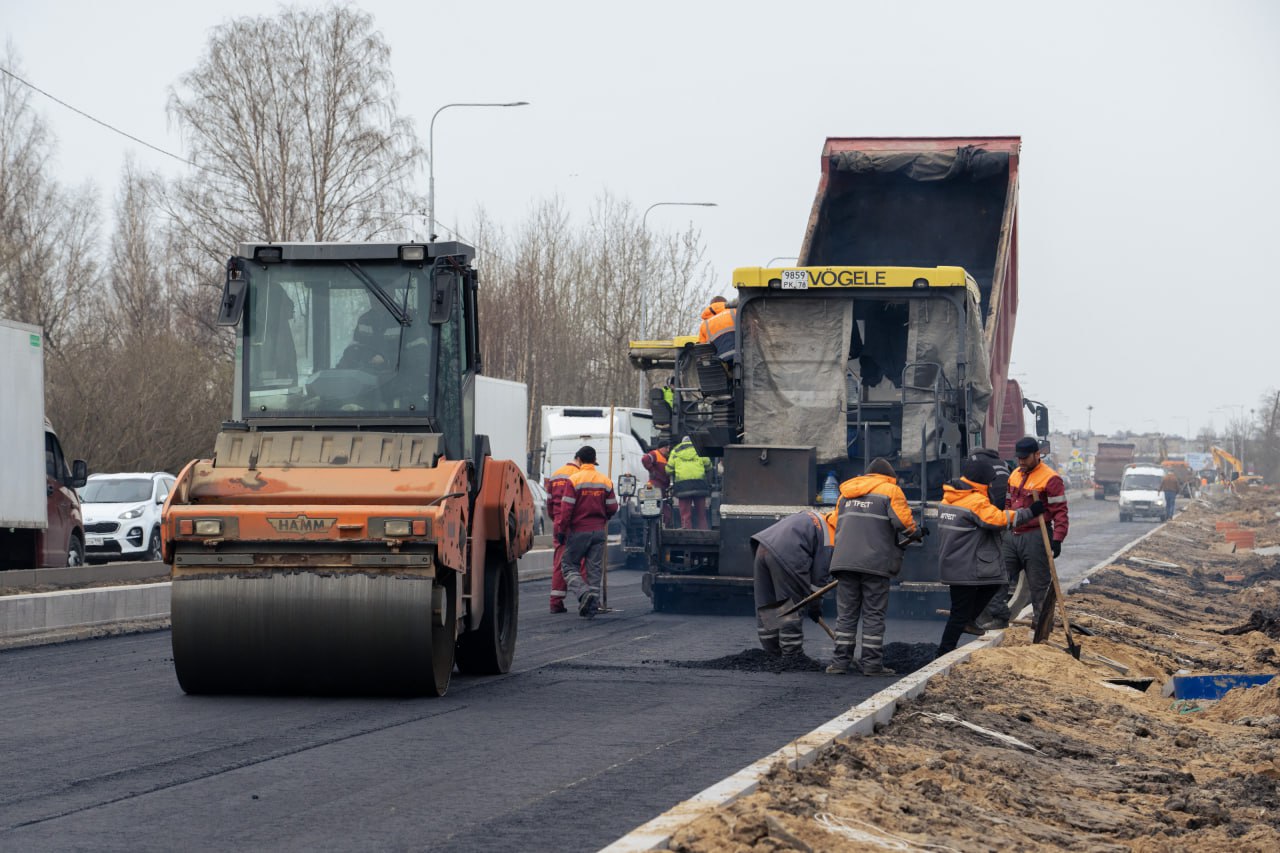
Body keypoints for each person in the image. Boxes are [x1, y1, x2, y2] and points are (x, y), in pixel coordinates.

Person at [935, 457, 1043, 657]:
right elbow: (999, 520)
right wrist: (1029, 512)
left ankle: (966, 622)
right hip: (965, 567)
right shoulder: (975, 501)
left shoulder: (949, 498)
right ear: (982, 480)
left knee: (993, 583)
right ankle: (943, 652)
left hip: (952, 563)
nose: (992, 484)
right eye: (990, 480)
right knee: (959, 613)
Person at [826, 457, 921, 676]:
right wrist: (915, 532)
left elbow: (834, 522)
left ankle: (840, 663)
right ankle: (871, 664)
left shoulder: (846, 493)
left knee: (847, 614)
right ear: (889, 477)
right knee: (873, 614)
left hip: (844, 561)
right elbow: (903, 523)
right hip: (874, 563)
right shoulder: (890, 490)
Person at [751, 509, 836, 659]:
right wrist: (815, 607)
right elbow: (818, 580)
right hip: (787, 555)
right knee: (790, 605)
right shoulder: (830, 536)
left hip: (763, 547)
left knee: (769, 604)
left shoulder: (814, 516)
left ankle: (772, 654)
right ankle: (792, 656)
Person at [1003, 436, 1070, 627]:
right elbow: (1007, 503)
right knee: (999, 577)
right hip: (1012, 534)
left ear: (1037, 454)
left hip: (1036, 536)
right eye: (1019, 458)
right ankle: (997, 618)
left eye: (1025, 458)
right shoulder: (1014, 474)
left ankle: (1041, 626)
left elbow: (1060, 512)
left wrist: (1057, 538)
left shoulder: (1050, 478)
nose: (1021, 462)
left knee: (1038, 586)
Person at [556, 445, 618, 618]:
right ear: (594, 461)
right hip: (599, 531)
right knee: (594, 570)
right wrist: (603, 517)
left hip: (579, 531)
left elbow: (566, 509)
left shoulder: (574, 480)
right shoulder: (605, 481)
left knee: (568, 566)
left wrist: (561, 529)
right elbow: (613, 506)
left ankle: (584, 594)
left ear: (580, 460)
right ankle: (592, 607)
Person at [545, 453, 588, 613]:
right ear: (580, 460)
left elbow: (549, 503)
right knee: (581, 561)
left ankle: (555, 602)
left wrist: (556, 520)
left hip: (558, 522)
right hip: (574, 523)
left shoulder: (556, 475)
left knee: (559, 562)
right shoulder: (578, 475)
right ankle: (584, 599)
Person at [666, 436, 712, 530]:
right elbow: (708, 465)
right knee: (701, 514)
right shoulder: (699, 449)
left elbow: (669, 470)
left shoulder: (675, 451)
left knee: (685, 514)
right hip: (699, 484)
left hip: (683, 486)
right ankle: (704, 533)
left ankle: (687, 532)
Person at [696, 296, 737, 365]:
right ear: (726, 303)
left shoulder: (704, 325)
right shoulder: (735, 312)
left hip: (720, 364)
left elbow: (703, 352)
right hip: (741, 357)